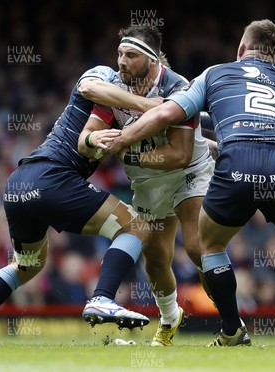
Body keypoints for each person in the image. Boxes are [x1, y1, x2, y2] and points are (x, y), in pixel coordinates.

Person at [96, 19, 275, 347]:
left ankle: (231, 329)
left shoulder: (215, 73)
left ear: (240, 49)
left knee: (208, 248)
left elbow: (169, 113)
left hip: (237, 161)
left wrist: (123, 138)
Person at [0, 64, 159, 346]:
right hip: (52, 177)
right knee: (135, 226)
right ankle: (102, 297)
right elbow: (88, 87)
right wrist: (147, 104)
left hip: (20, 183)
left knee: (27, 265)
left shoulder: (122, 115)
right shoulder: (106, 77)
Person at [78, 24, 215, 346]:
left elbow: (180, 155)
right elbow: (85, 140)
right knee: (156, 261)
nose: (121, 61)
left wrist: (128, 154)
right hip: (149, 186)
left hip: (189, 175)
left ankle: (232, 324)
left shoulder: (179, 87)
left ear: (152, 61)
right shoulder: (113, 86)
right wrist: (92, 139)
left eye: (130, 55)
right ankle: (169, 319)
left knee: (198, 249)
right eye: (119, 54)